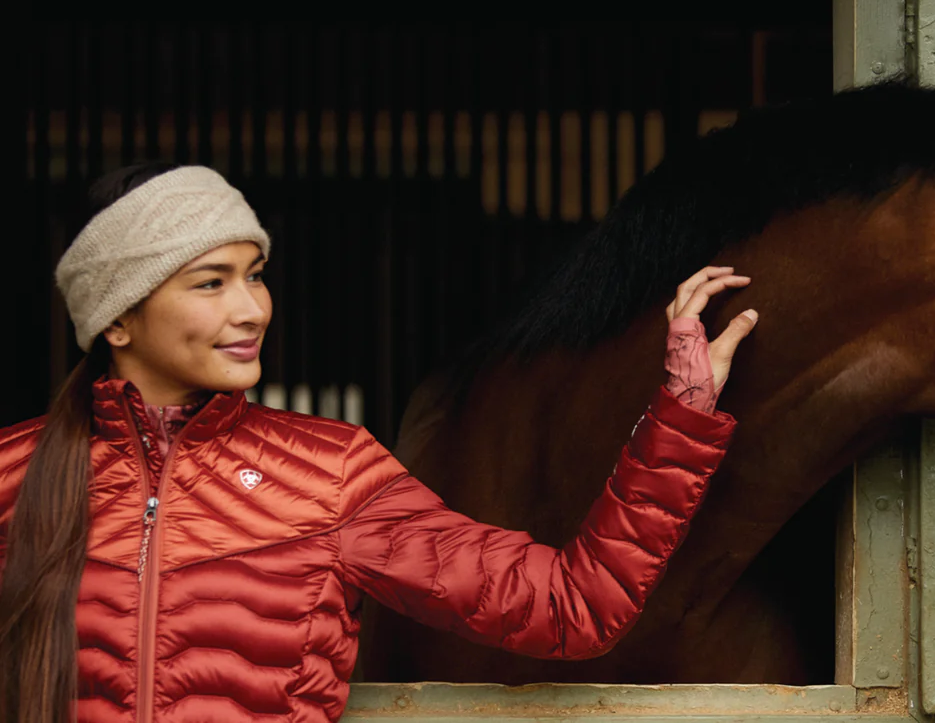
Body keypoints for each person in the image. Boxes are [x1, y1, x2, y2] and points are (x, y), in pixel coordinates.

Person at [0, 163, 761, 723]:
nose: (253, 309)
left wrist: (681, 413)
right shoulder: (15, 474)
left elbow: (573, 604)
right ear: (118, 319)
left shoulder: (330, 472)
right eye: (210, 282)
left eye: (255, 276)